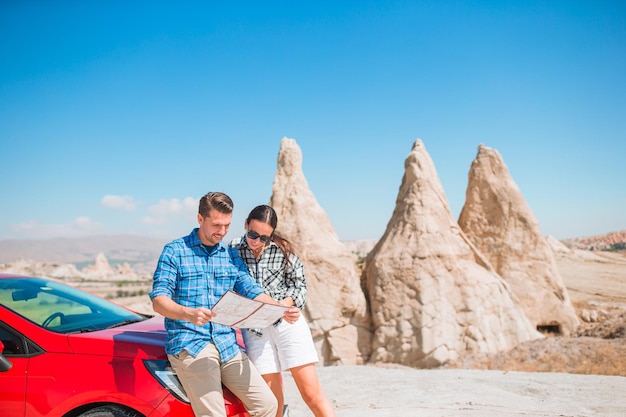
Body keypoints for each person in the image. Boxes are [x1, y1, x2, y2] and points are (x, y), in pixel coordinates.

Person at [149, 192, 300, 417]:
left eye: (227, 225)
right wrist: (187, 313)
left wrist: (279, 309)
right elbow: (159, 300)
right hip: (191, 344)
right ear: (200, 219)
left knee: (268, 405)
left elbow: (251, 289)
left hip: (227, 345)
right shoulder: (175, 251)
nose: (222, 232)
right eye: (216, 225)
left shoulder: (230, 255)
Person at [229, 204, 336, 417]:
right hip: (256, 331)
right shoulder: (232, 249)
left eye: (264, 238)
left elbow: (299, 286)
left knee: (311, 395)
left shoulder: (283, 250)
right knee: (271, 401)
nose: (256, 241)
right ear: (245, 225)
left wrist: (287, 304)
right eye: (252, 234)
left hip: (287, 324)